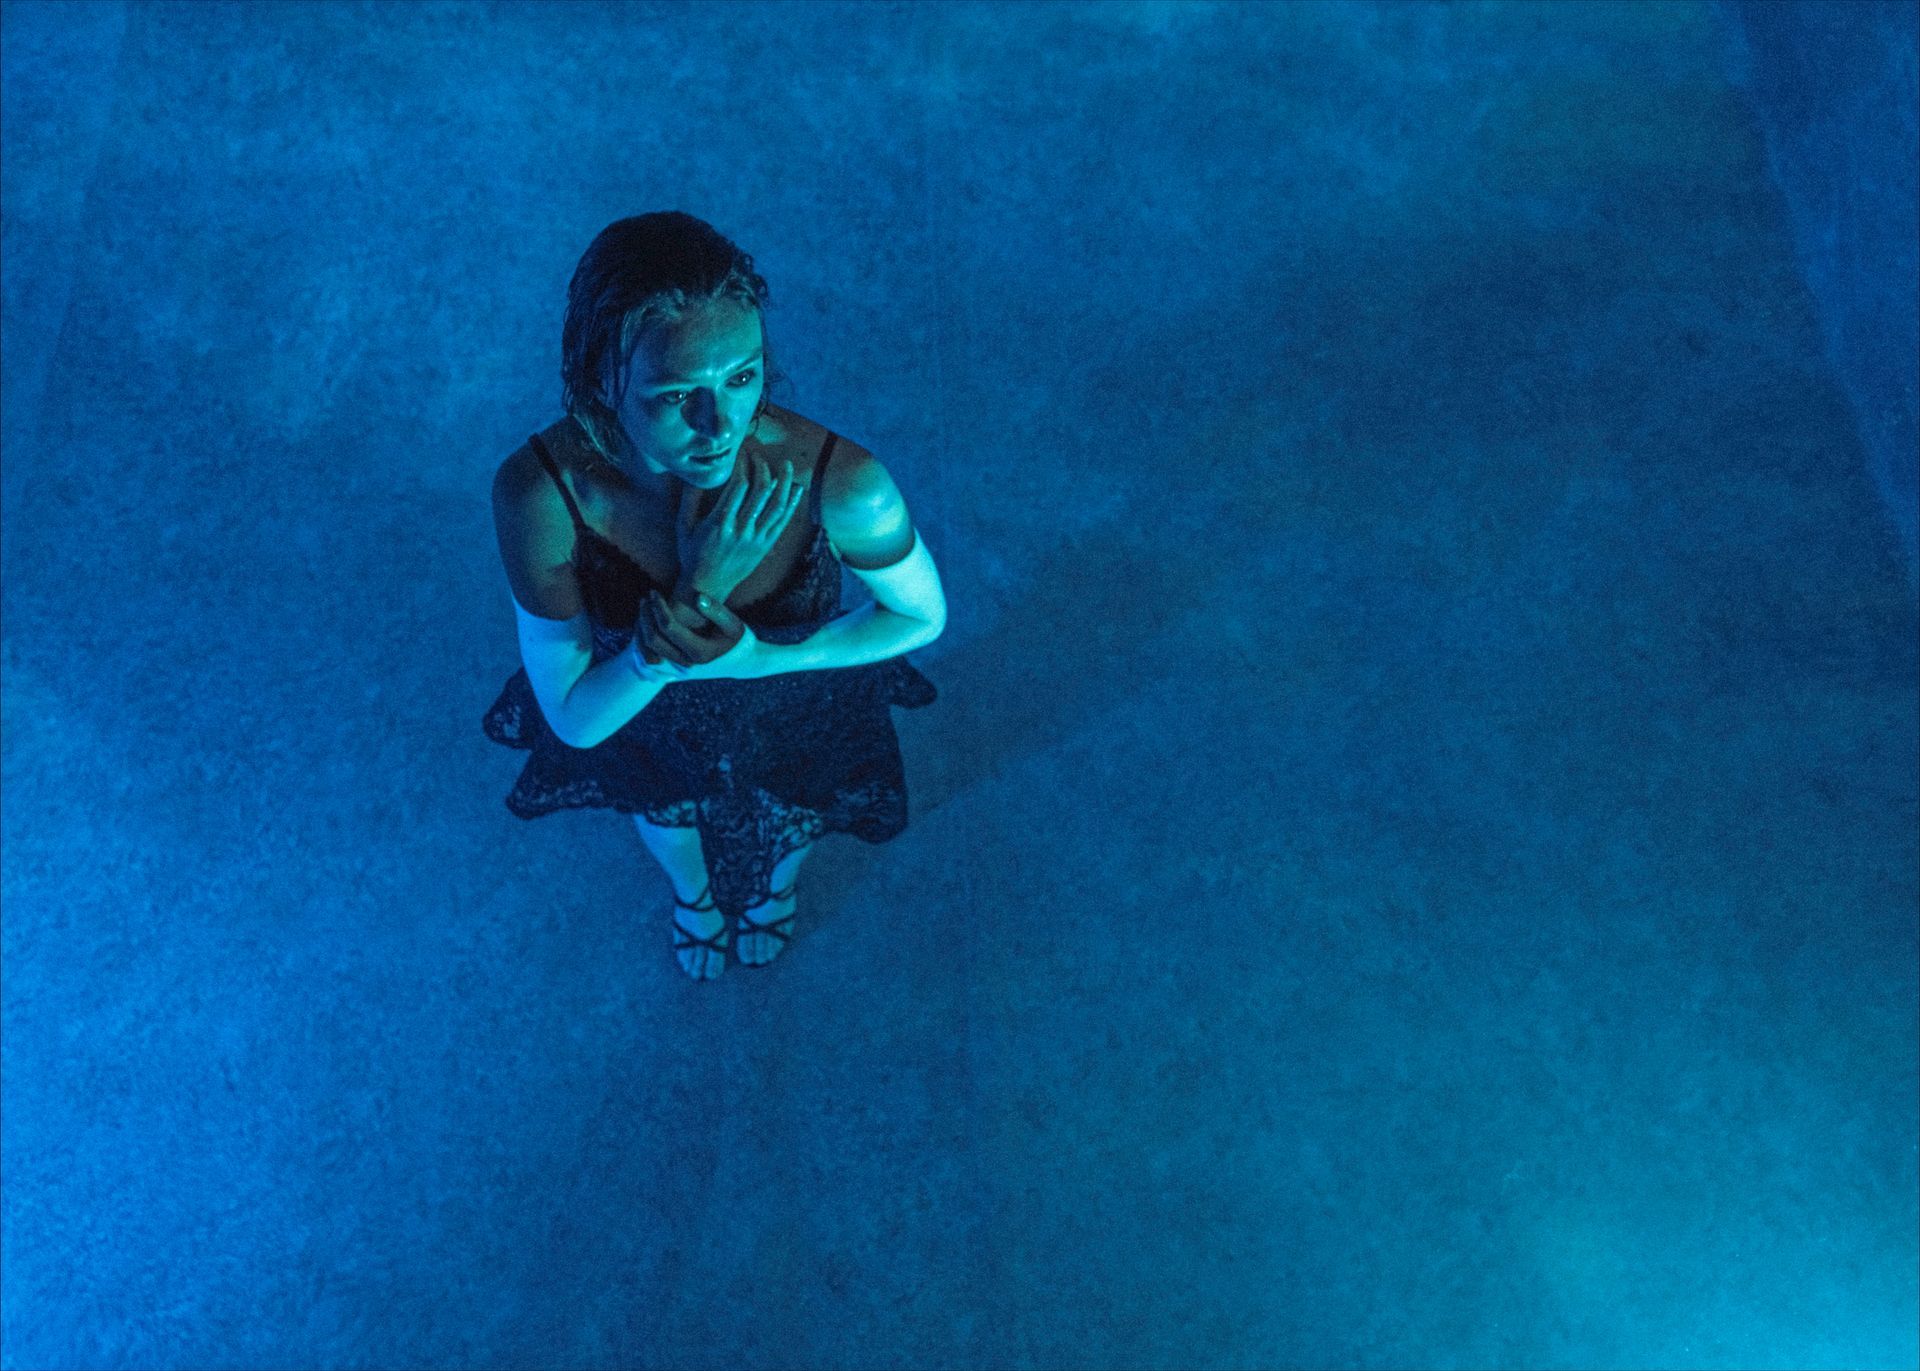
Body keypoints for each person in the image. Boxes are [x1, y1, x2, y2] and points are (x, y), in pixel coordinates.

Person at [483, 212, 944, 980]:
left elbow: (923, 614)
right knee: (666, 815)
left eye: (742, 377)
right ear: (601, 379)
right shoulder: (541, 495)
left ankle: (771, 894)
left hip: (795, 700)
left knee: (792, 816)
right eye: (674, 395)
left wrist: (756, 658)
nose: (719, 424)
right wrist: (696, 593)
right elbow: (576, 718)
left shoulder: (845, 484)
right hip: (642, 716)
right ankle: (695, 898)